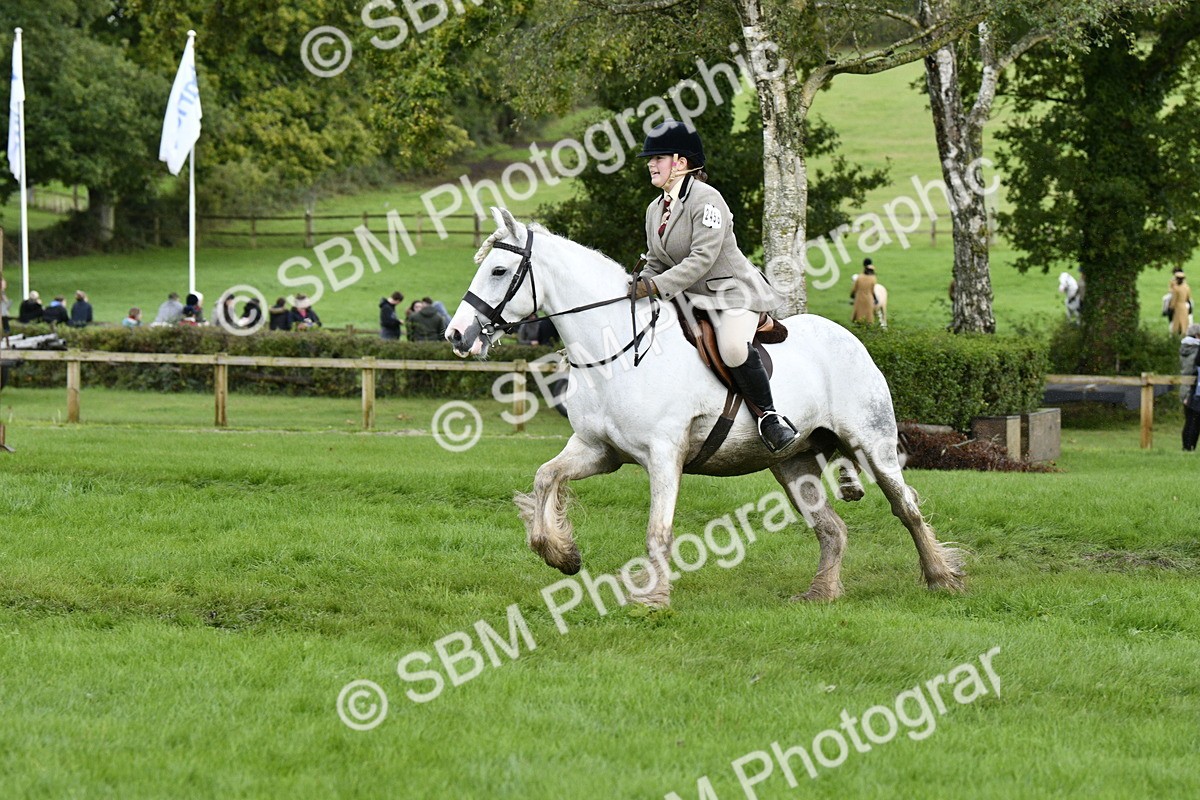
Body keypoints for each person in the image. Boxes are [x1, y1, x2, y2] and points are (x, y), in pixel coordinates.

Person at [634, 120, 796, 451]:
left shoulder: (708, 200)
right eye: (651, 159)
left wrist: (654, 287)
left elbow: (701, 260)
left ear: (681, 163)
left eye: (658, 158)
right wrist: (635, 283)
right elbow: (655, 261)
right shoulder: (655, 210)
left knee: (733, 347)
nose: (651, 164)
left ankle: (769, 417)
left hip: (733, 293)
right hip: (691, 298)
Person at [1181, 324, 1200, 451]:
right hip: (1194, 388)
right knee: (1194, 420)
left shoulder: (1184, 348)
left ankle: (1187, 446)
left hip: (1185, 386)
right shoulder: (1196, 349)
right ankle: (1189, 447)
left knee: (1190, 419)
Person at [851, 259, 879, 324]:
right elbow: (872, 291)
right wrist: (875, 299)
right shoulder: (873, 278)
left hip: (859, 298)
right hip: (868, 299)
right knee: (868, 316)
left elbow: (855, 289)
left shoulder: (859, 277)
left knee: (858, 315)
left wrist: (852, 295)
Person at [1167, 270, 1193, 337]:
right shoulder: (1187, 287)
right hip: (1184, 307)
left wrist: (1170, 308)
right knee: (1184, 323)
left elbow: (1174, 300)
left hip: (1178, 307)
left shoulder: (1176, 288)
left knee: (1176, 324)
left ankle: (1175, 337)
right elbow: (1188, 298)